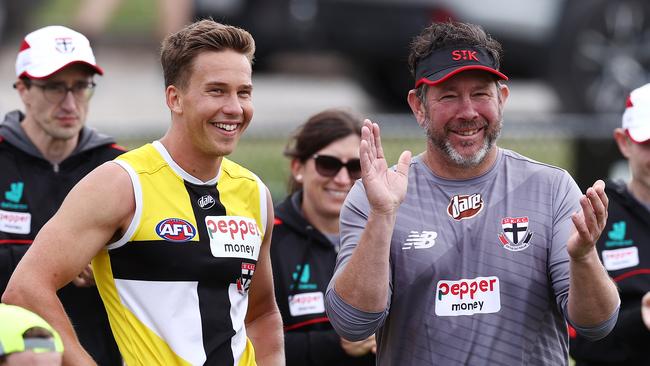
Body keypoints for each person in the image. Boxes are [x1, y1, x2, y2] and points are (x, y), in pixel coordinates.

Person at [324, 21, 620, 365]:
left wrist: (584, 257)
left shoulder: (551, 188)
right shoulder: (376, 197)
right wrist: (382, 217)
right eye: (448, 96)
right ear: (418, 107)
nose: (467, 112)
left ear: (502, 99)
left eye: (480, 93)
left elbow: (596, 324)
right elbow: (353, 323)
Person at [2, 19, 284, 365]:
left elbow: (262, 315)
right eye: (216, 90)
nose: (235, 108)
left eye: (244, 92)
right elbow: (26, 288)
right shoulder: (122, 183)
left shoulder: (255, 193)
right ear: (174, 98)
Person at [0, 25, 123, 365]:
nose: (70, 103)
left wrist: (103, 266)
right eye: (55, 87)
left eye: (81, 86)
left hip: (99, 350)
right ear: (23, 89)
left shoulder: (121, 168)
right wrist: (59, 263)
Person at [271, 108, 376, 366]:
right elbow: (244, 340)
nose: (341, 179)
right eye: (327, 164)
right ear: (298, 167)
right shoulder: (267, 238)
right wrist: (335, 344)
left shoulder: (384, 236)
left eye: (354, 167)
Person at [569, 83, 650, 365]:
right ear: (623, 142)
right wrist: (640, 319)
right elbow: (577, 341)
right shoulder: (595, 219)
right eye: (647, 143)